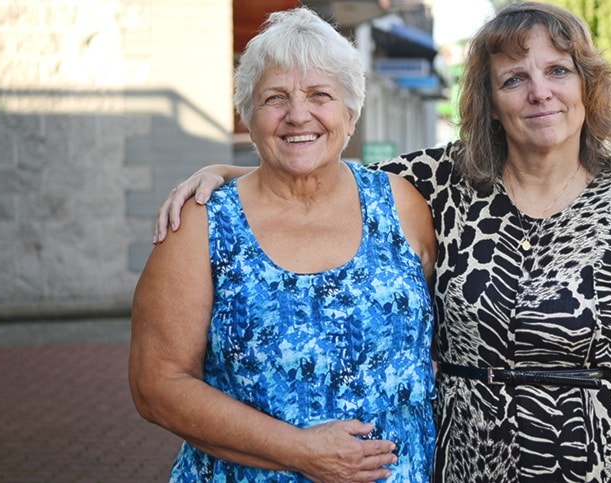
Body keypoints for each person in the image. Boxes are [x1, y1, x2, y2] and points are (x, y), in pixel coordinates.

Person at [154, 3, 611, 482]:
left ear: (587, 85)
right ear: (490, 100)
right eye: (514, 79)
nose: (539, 92)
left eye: (558, 70)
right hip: (468, 462)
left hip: (598, 460)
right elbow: (315, 166)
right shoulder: (443, 180)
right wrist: (225, 172)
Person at [129, 7, 438, 482]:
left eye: (320, 95)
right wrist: (298, 451)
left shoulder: (401, 205)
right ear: (248, 117)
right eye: (276, 98)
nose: (298, 115)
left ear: (351, 113)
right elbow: (157, 384)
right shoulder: (201, 225)